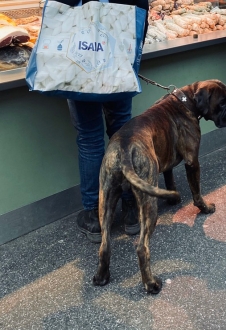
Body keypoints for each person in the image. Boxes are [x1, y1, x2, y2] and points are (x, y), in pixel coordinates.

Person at [58, 0, 149, 243]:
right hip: (119, 53)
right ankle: (131, 209)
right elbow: (141, 10)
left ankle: (95, 216)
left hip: (82, 59)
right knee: (123, 133)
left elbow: (59, 12)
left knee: (89, 139)